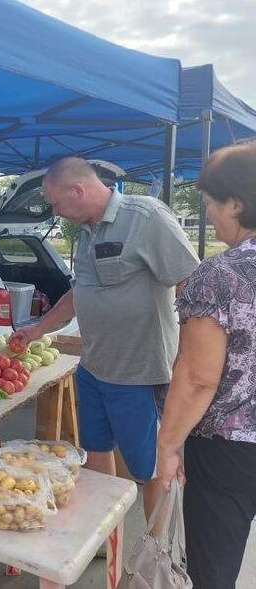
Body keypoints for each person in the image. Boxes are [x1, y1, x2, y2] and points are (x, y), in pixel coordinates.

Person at [10, 157, 198, 522]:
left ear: (77, 190)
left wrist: (193, 358)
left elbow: (191, 282)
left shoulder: (145, 218)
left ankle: (153, 551)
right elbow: (80, 294)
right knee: (96, 450)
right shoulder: (87, 232)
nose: (56, 212)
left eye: (56, 203)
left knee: (151, 468)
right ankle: (103, 531)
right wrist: (37, 329)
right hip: (94, 367)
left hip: (138, 372)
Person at [157, 142, 256, 589]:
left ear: (236, 203)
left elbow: (198, 378)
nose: (210, 214)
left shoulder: (221, 275)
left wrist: (168, 445)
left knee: (213, 570)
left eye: (211, 203)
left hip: (228, 451)